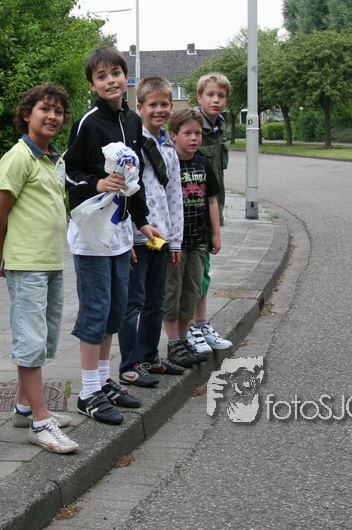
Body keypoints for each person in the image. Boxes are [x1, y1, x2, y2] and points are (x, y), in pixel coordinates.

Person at [63, 46, 163, 426]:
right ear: (92, 84)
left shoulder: (133, 122)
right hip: (91, 235)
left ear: (126, 76)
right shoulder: (89, 123)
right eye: (101, 76)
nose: (110, 81)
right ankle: (88, 392)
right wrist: (97, 183)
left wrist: (142, 222)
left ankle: (104, 382)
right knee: (96, 309)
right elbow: (68, 172)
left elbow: (134, 179)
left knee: (116, 310)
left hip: (120, 234)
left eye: (115, 73)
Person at [0, 84, 79, 454]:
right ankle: (41, 423)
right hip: (27, 265)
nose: (53, 116)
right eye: (45, 109)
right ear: (27, 114)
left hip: (51, 261)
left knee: (44, 338)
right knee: (31, 340)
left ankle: (25, 408)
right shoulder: (19, 157)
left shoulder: (53, 159)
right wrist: (2, 256)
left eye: (59, 111)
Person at [118, 77, 187, 383]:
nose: (159, 110)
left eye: (164, 104)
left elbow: (174, 197)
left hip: (160, 237)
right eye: (153, 105)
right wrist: (126, 237)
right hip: (136, 236)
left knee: (156, 300)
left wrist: (175, 241)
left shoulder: (169, 148)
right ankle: (129, 365)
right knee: (133, 302)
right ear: (140, 107)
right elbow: (124, 192)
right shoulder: (132, 145)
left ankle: (149, 356)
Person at [164, 107, 222, 370]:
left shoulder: (204, 163)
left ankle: (184, 337)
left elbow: (212, 200)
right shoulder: (168, 164)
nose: (194, 138)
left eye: (198, 133)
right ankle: (173, 341)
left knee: (192, 291)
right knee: (172, 292)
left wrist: (216, 234)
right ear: (173, 135)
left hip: (199, 240)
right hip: (175, 242)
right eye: (187, 133)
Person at [188, 72, 234, 355]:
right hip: (193, 212)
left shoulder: (219, 126)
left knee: (204, 273)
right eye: (210, 95)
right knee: (194, 275)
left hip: (212, 209)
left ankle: (201, 324)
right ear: (199, 97)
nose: (216, 100)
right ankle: (191, 327)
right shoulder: (192, 126)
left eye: (221, 96)